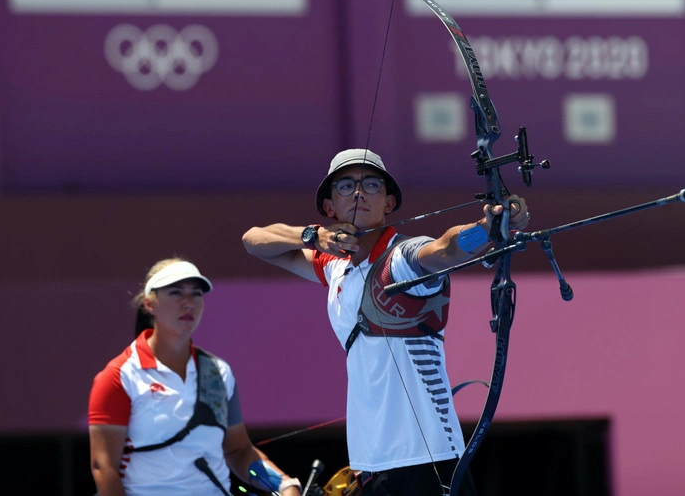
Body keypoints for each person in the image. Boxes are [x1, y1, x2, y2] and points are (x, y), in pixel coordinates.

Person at [242, 149, 529, 496]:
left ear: (389, 202)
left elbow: (445, 249)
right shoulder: (334, 266)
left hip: (429, 460)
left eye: (371, 184)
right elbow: (254, 241)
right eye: (346, 186)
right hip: (371, 464)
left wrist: (487, 228)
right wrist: (313, 236)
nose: (359, 192)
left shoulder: (404, 257)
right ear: (330, 207)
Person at [88, 257, 302, 496]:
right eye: (176, 293)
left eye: (196, 294)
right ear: (150, 304)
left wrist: (284, 484)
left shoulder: (218, 373)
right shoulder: (119, 375)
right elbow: (103, 466)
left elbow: (239, 450)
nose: (188, 302)